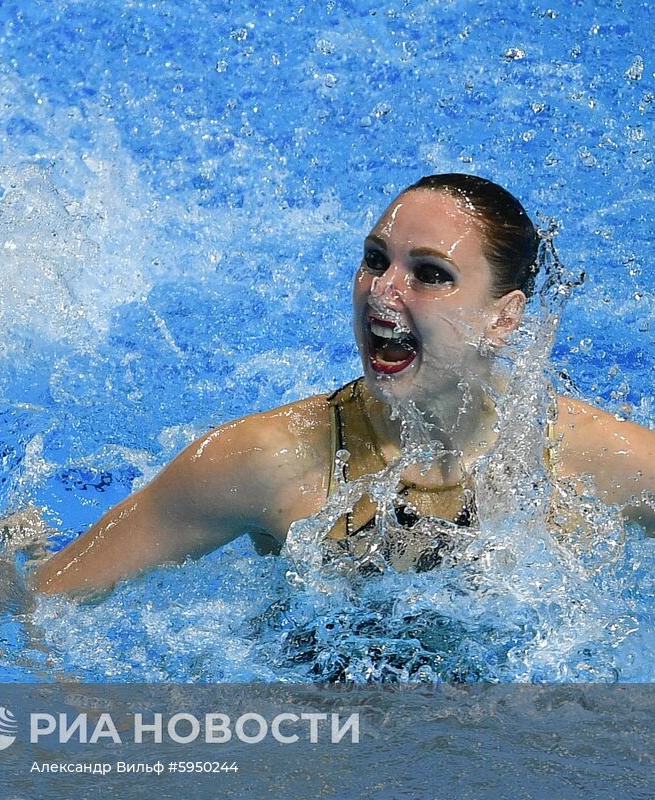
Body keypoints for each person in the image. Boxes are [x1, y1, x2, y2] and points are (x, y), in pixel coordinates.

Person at [36, 173, 655, 596]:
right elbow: (51, 598)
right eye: (376, 259)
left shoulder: (596, 460)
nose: (383, 292)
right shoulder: (267, 460)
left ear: (503, 318)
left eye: (430, 274)